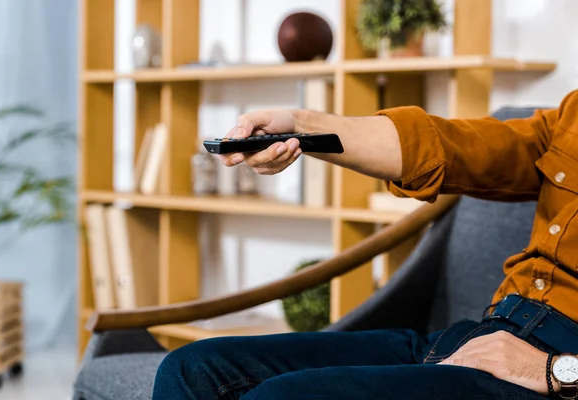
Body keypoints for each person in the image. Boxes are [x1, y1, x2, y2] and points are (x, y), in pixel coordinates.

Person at [152, 89, 578, 400]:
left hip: (551, 371)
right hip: (481, 335)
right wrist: (298, 126)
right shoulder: (571, 115)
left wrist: (554, 370)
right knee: (193, 370)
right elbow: (447, 146)